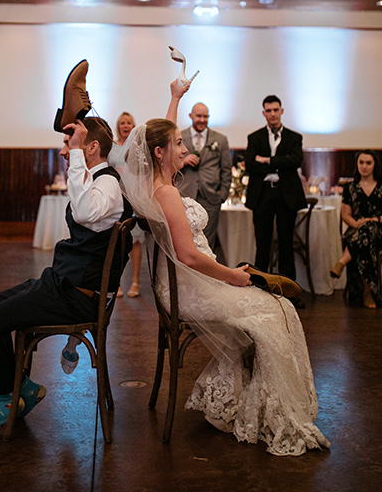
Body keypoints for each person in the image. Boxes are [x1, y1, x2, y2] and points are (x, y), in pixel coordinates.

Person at [121, 82, 329, 456]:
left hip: (195, 279)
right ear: (160, 152)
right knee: (276, 311)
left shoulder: (159, 179)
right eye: (179, 145)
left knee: (275, 307)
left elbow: (162, 136)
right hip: (191, 284)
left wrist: (174, 97)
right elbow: (188, 255)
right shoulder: (166, 193)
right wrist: (233, 275)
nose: (185, 147)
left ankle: (240, 394)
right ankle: (266, 408)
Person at [0, 118, 133, 439]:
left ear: (91, 147)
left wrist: (78, 151)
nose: (65, 151)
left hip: (75, 297)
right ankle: (20, 389)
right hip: (61, 285)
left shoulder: (107, 184)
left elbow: (82, 212)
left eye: (70, 144)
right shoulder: (97, 180)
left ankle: (8, 400)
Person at [245, 95, 307, 309]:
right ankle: (259, 291)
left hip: (286, 194)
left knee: (286, 244)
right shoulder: (254, 137)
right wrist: (281, 163)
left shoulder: (294, 137)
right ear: (264, 113)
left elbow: (296, 161)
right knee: (262, 244)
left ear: (282, 111)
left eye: (275, 110)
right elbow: (250, 166)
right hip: (262, 194)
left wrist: (267, 160)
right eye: (268, 110)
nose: (272, 114)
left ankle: (290, 293)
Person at [330, 150, 382, 308]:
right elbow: (345, 215)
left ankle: (342, 261)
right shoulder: (350, 187)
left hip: (379, 230)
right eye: (361, 162)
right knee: (364, 238)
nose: (364, 166)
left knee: (368, 231)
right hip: (356, 230)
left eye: (368, 163)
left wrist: (372, 220)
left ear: (374, 165)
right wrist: (358, 224)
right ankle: (368, 291)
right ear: (357, 164)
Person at [178, 103, 232, 253]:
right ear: (191, 116)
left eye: (205, 116)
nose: (202, 120)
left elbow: (226, 170)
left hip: (211, 198)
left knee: (208, 241)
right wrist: (183, 161)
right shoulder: (179, 137)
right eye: (199, 116)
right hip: (185, 195)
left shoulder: (220, 139)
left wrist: (222, 195)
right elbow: (169, 165)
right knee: (184, 239)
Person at [108, 112, 143, 298]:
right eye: (122, 122)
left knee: (135, 241)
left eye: (129, 122)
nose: (125, 125)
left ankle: (136, 280)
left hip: (133, 198)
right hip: (114, 198)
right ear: (118, 126)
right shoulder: (111, 147)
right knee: (115, 241)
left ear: (133, 125)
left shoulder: (137, 147)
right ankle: (117, 282)